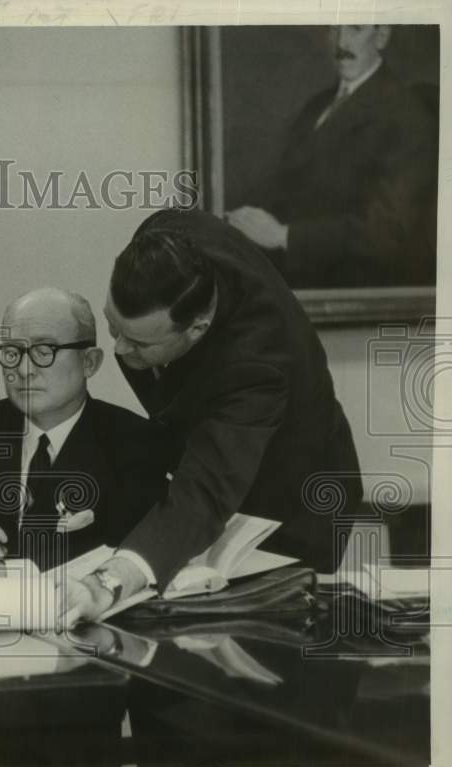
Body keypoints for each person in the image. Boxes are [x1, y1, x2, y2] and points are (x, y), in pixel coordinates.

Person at [64, 208, 363, 625]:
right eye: (114, 327)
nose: (118, 351)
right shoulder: (165, 237)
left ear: (198, 327)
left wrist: (109, 581)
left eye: (138, 342)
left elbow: (205, 491)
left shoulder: (260, 363)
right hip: (214, 467)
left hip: (295, 498)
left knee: (265, 653)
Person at [0, 287, 172, 573]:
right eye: (12, 352)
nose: (23, 370)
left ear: (90, 362)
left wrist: (15, 573)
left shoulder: (138, 445)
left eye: (43, 351)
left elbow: (131, 556)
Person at [225, 24, 437, 288]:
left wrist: (285, 236)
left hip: (356, 294)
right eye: (334, 30)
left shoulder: (408, 116)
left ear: (382, 37)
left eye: (355, 29)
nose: (341, 43)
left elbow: (388, 231)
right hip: (291, 280)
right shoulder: (317, 106)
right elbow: (281, 186)